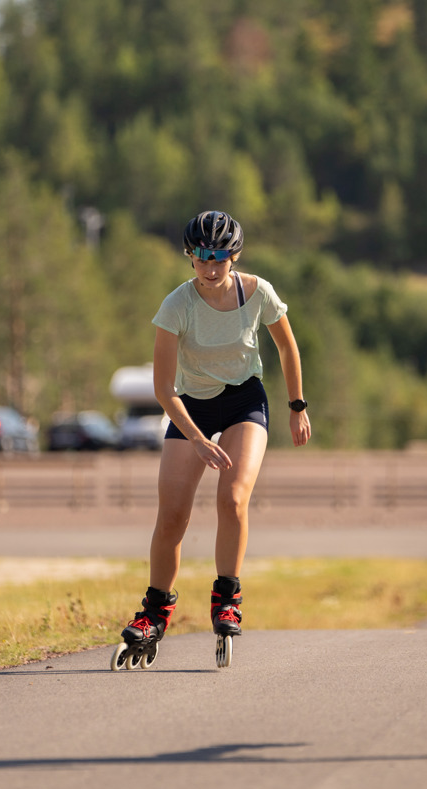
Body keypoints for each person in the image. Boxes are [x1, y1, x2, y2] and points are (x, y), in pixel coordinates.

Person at [111, 210, 311, 670]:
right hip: (191, 407)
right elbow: (163, 388)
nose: (211, 265)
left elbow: (286, 346)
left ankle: (227, 598)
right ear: (190, 257)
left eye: (220, 256)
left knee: (232, 499)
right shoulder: (175, 307)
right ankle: (154, 613)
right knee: (172, 517)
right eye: (202, 256)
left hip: (245, 401)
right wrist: (198, 439)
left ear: (234, 256)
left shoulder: (258, 293)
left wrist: (297, 406)